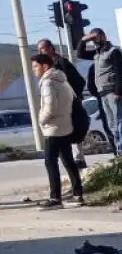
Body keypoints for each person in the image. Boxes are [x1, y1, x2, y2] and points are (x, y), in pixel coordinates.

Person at [31, 52, 83, 210]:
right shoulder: (62, 80)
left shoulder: (48, 83)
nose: (34, 70)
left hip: (53, 129)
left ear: (45, 66)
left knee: (50, 162)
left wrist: (41, 120)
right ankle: (77, 194)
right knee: (68, 160)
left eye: (35, 66)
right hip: (65, 125)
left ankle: (55, 198)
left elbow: (50, 108)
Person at [76, 27, 122, 157]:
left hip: (113, 92)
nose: (94, 40)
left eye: (96, 37)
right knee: (112, 124)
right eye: (92, 39)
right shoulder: (97, 54)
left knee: (121, 122)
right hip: (103, 94)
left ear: (103, 36)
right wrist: (84, 40)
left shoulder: (113, 52)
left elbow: (120, 72)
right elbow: (80, 54)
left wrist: (119, 91)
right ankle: (120, 150)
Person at [36, 38, 88, 167]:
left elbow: (79, 82)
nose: (41, 52)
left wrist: (70, 97)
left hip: (68, 104)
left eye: (43, 49)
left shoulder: (61, 63)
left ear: (50, 48)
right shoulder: (46, 67)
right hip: (57, 108)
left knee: (72, 128)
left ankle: (78, 159)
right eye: (39, 50)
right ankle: (73, 162)